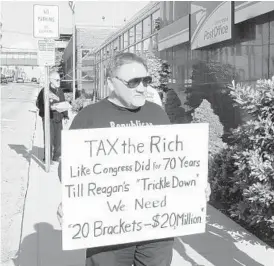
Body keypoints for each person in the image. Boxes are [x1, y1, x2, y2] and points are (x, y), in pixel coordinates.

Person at [57, 52, 211, 266]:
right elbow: (69, 171)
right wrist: (72, 200)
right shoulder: (89, 117)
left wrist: (195, 184)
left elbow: (171, 164)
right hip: (108, 230)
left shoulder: (158, 114)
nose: (142, 88)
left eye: (146, 80)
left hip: (156, 230)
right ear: (111, 83)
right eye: (133, 81)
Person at [36, 71, 69, 162]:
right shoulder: (45, 91)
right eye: (57, 80)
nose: (59, 82)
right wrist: (49, 107)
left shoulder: (60, 91)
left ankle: (56, 156)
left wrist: (66, 116)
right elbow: (38, 104)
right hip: (48, 118)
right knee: (49, 139)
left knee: (58, 139)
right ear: (51, 80)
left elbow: (63, 103)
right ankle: (47, 157)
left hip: (58, 117)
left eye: (59, 80)